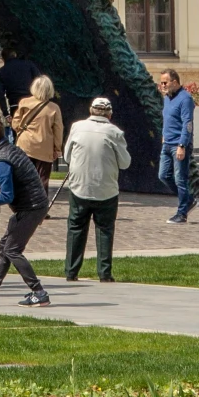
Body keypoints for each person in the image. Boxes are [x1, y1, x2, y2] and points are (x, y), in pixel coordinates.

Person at [0, 113, 49, 306]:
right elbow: (16, 176)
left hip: (31, 208)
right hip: (31, 206)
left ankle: (39, 292)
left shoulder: (2, 159)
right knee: (5, 247)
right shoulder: (9, 149)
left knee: (12, 250)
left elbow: (8, 196)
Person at [62, 97, 130, 284]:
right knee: (105, 230)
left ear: (91, 111)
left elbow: (67, 156)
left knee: (76, 228)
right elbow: (125, 163)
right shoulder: (115, 132)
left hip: (79, 187)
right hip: (106, 189)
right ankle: (105, 273)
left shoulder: (77, 127)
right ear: (109, 114)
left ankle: (71, 271)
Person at [157, 68, 195, 223]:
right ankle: (188, 200)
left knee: (181, 179)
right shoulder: (167, 98)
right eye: (161, 83)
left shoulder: (185, 98)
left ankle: (182, 213)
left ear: (175, 82)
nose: (162, 86)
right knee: (163, 175)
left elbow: (188, 123)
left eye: (165, 82)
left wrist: (182, 145)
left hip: (179, 145)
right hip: (167, 144)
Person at [11, 75, 63, 181]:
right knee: (42, 180)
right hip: (44, 146)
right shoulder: (54, 108)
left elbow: (15, 123)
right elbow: (58, 129)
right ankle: (41, 198)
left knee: (24, 179)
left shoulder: (24, 102)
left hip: (25, 145)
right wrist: (57, 148)